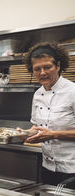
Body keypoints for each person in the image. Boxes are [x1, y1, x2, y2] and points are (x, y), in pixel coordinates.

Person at [24, 42, 75, 185]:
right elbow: (36, 127)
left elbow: (50, 132)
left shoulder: (72, 91)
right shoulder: (38, 95)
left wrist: (54, 134)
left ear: (58, 66)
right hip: (48, 167)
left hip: (72, 169)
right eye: (37, 69)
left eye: (47, 67)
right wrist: (23, 133)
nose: (42, 73)